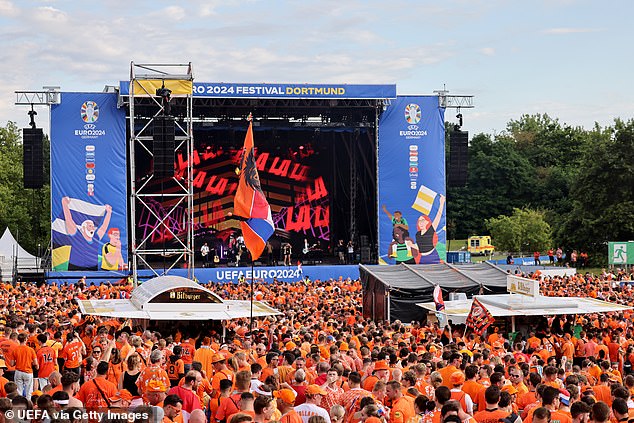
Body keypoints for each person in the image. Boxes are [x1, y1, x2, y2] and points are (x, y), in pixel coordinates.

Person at [61, 196, 112, 270]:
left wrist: (109, 213)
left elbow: (104, 226)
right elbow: (69, 220)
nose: (92, 227)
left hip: (92, 267)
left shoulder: (96, 237)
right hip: (75, 267)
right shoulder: (76, 234)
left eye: (93, 226)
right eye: (90, 226)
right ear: (84, 228)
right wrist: (64, 204)